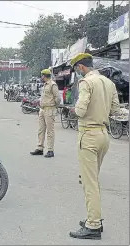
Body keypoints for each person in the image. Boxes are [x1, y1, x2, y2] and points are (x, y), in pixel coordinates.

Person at [68, 53, 120, 240]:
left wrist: (73, 108)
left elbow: (81, 111)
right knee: (93, 180)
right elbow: (116, 110)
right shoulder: (108, 83)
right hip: (104, 135)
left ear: (81, 67)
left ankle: (93, 225)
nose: (77, 73)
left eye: (76, 69)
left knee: (89, 183)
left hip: (88, 136)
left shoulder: (86, 83)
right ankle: (94, 217)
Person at [30, 69, 61, 158]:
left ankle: (50, 150)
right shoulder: (45, 85)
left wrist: (54, 106)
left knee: (50, 131)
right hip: (42, 109)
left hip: (49, 110)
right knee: (41, 130)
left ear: (44, 76)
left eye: (42, 75)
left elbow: (57, 98)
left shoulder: (52, 85)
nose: (41, 77)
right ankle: (40, 148)